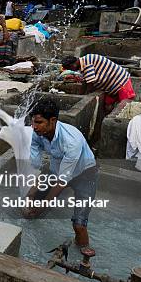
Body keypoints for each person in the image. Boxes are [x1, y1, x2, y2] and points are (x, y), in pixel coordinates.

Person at [26, 98, 98, 257]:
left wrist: (43, 204)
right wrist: (33, 191)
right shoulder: (38, 133)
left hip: (85, 176)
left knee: (79, 225)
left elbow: (62, 181)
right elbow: (38, 164)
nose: (34, 126)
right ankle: (33, 237)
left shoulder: (71, 140)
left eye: (39, 122)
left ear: (53, 120)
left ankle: (82, 252)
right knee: (31, 205)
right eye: (33, 122)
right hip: (57, 170)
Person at [61, 54, 135, 112]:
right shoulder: (84, 61)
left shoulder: (86, 63)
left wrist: (85, 95)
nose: (72, 70)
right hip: (111, 87)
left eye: (70, 68)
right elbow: (87, 78)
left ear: (73, 65)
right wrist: (77, 78)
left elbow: (90, 83)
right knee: (107, 106)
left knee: (126, 109)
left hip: (121, 82)